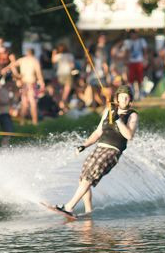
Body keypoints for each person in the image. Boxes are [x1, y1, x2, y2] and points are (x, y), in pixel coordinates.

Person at [54, 85, 138, 216]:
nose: (124, 100)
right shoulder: (109, 110)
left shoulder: (132, 115)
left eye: (127, 98)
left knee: (89, 177)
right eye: (122, 97)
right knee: (83, 178)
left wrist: (118, 120)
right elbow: (98, 132)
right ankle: (89, 212)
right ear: (117, 98)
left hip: (113, 151)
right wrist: (84, 145)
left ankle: (69, 207)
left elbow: (129, 135)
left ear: (130, 100)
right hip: (100, 148)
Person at [15, 47, 44, 125]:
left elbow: (12, 65)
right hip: (31, 84)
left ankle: (22, 121)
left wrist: (17, 75)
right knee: (33, 102)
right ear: (33, 53)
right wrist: (42, 82)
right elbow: (38, 73)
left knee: (24, 103)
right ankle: (35, 122)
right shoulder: (35, 60)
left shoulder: (22, 60)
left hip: (24, 83)